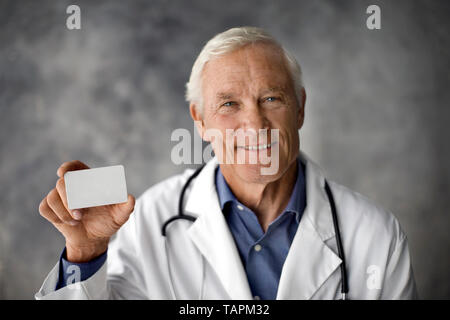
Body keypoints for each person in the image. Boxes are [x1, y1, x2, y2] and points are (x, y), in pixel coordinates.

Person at [35, 26, 418, 299]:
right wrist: (85, 254)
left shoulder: (376, 234)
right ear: (199, 121)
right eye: (229, 104)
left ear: (300, 108)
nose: (254, 124)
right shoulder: (148, 222)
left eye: (271, 98)